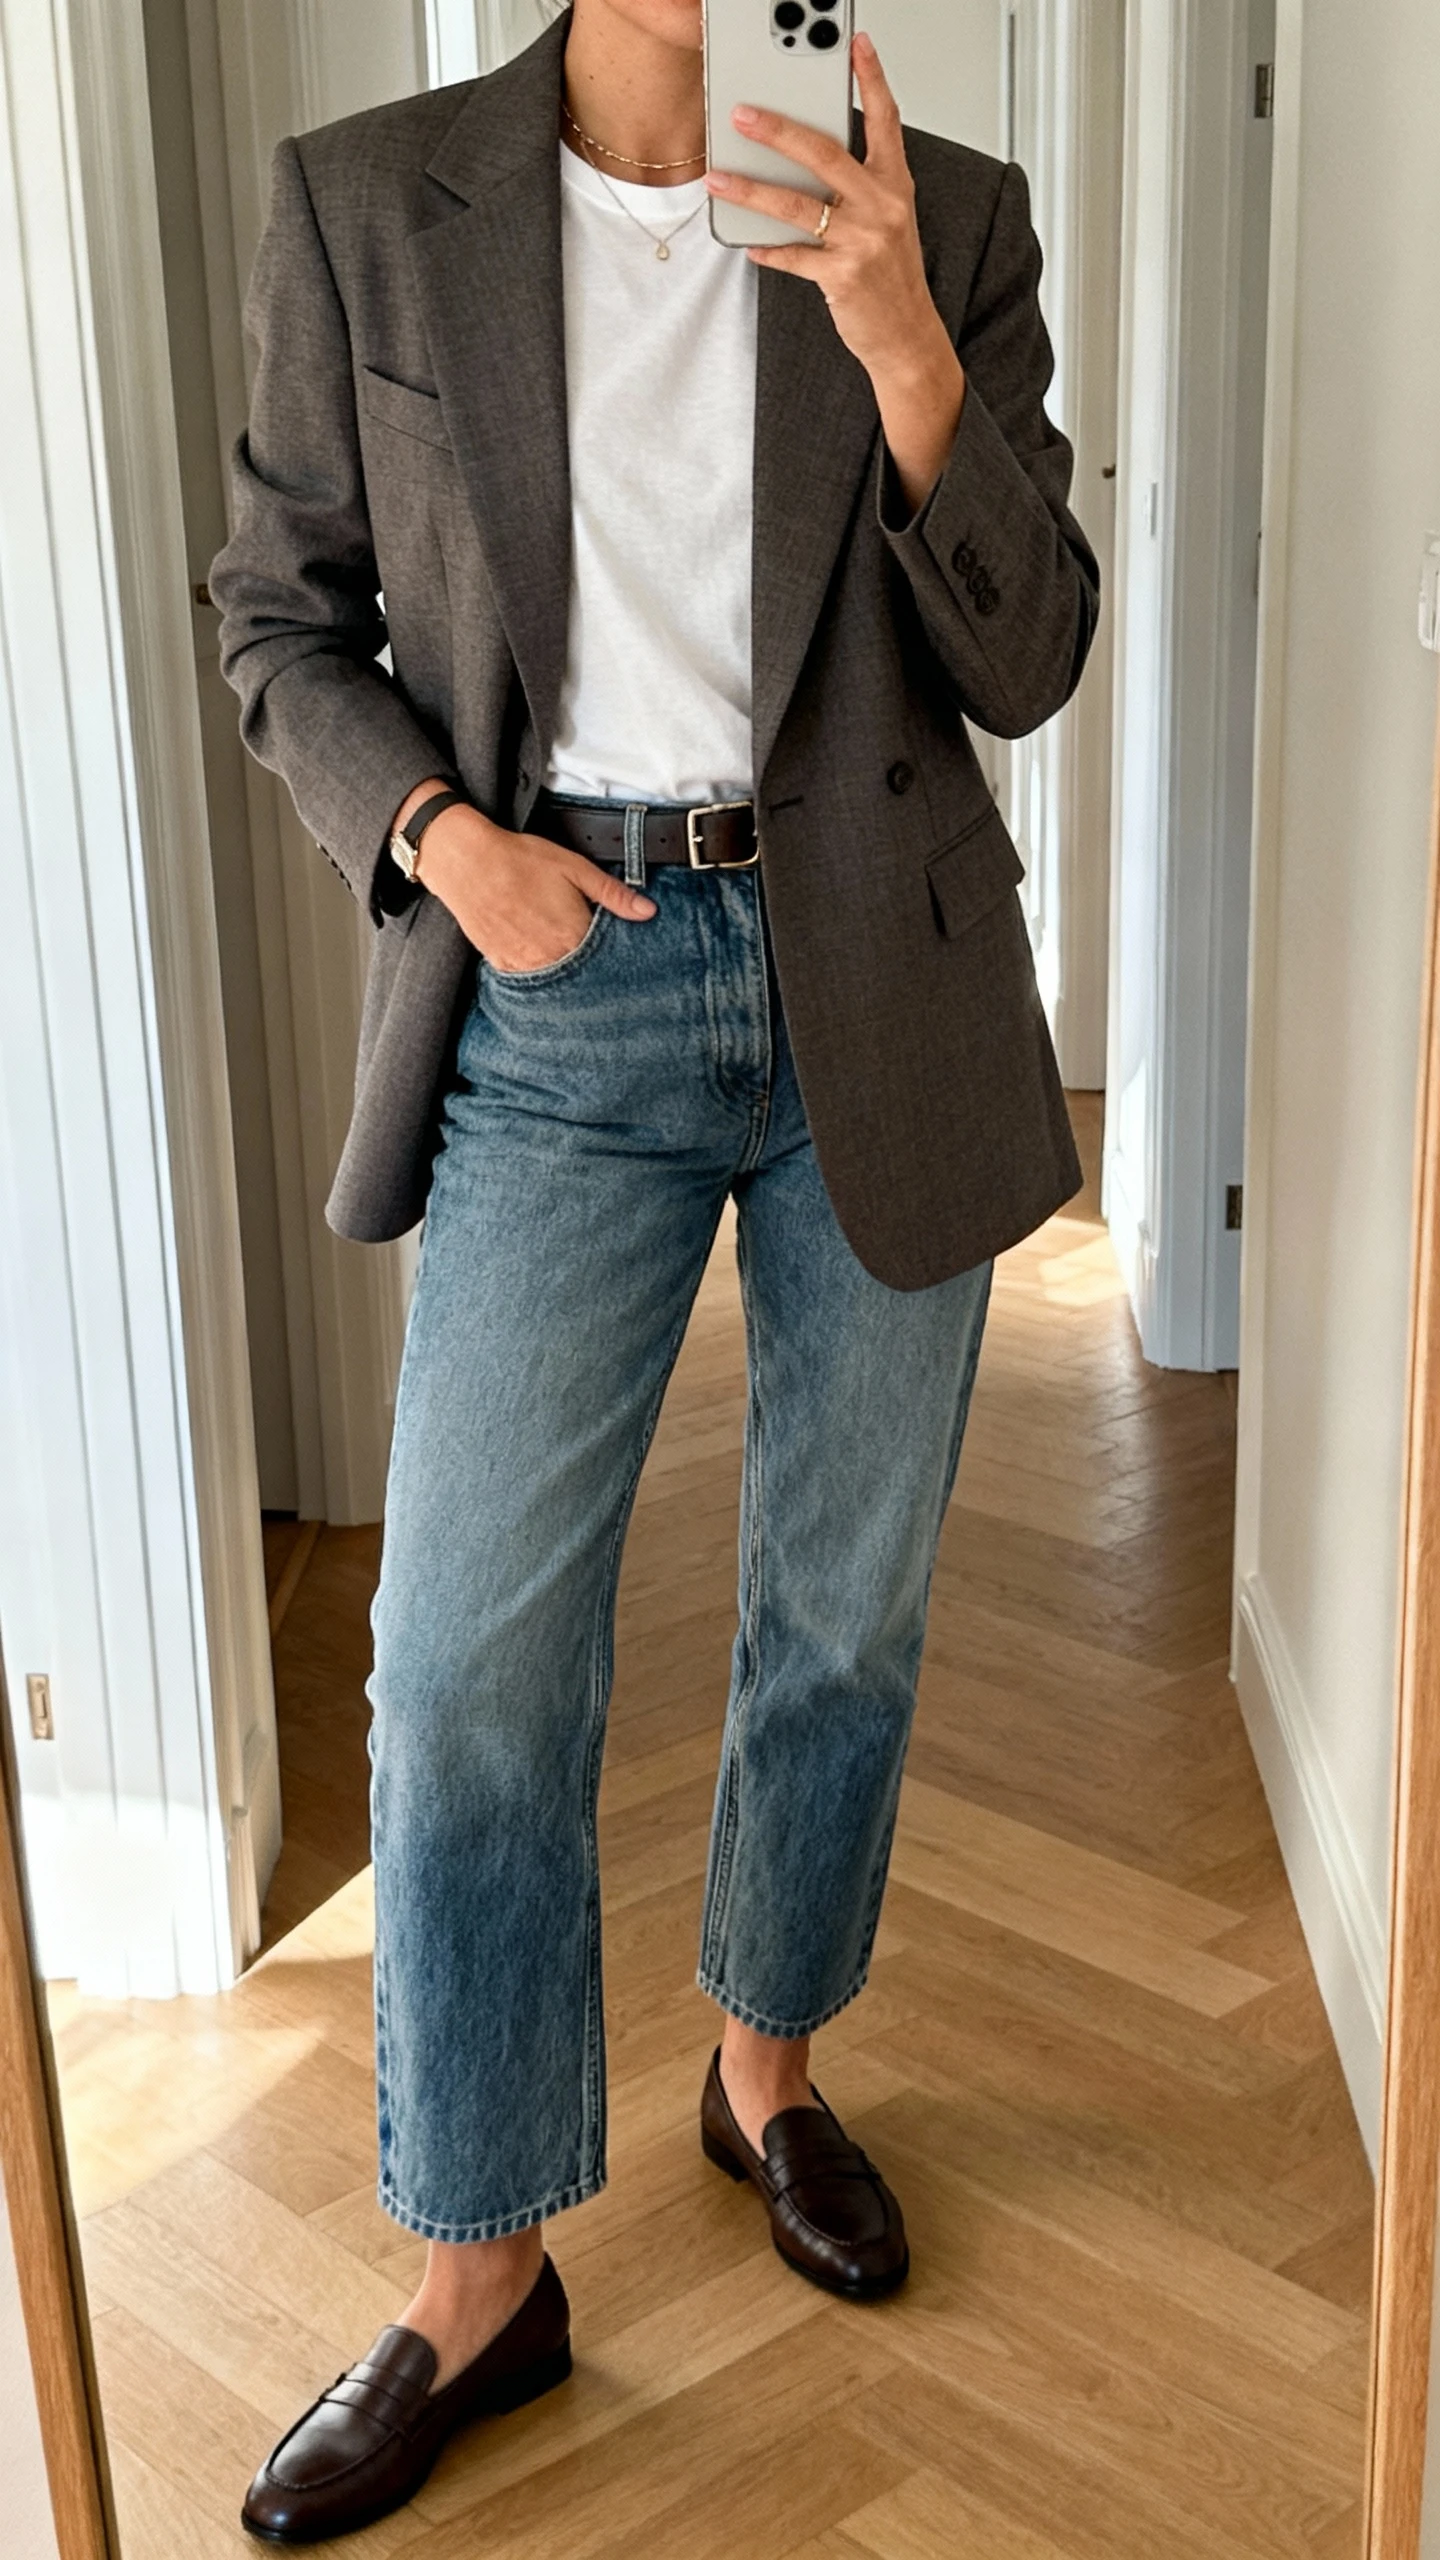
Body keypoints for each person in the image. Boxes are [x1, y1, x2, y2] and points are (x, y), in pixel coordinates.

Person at [212, 0, 1097, 2540]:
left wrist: (908, 343)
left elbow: (1025, 656)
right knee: (471, 1652)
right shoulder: (368, 200)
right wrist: (440, 843)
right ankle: (475, 2267)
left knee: (840, 1609)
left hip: (879, 1002)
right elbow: (278, 612)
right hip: (554, 979)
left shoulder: (959, 220)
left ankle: (767, 2065)